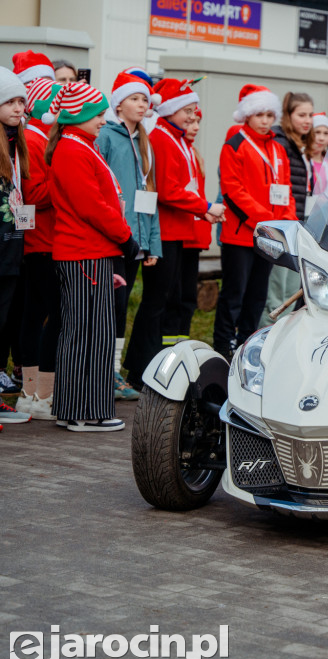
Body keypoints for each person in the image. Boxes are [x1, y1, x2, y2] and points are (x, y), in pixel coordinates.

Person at [43, 81, 140, 431]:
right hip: (85, 253)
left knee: (84, 332)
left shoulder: (81, 146)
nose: (103, 119)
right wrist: (126, 237)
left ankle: (74, 409)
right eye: (98, 114)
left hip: (90, 253)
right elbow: (93, 207)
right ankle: (86, 412)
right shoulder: (74, 150)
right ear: (80, 115)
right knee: (89, 335)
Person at [124, 78, 220, 387]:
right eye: (187, 111)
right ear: (171, 110)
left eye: (194, 111)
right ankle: (141, 369)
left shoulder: (174, 138)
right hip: (164, 231)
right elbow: (168, 190)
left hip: (176, 230)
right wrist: (204, 206)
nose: (193, 117)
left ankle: (150, 364)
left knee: (165, 299)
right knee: (157, 301)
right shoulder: (164, 138)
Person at [215, 84, 296, 358]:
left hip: (269, 235)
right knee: (234, 295)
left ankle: (247, 343)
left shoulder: (278, 149)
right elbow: (232, 191)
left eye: (269, 115)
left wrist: (288, 223)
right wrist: (267, 221)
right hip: (241, 235)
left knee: (257, 295)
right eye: (259, 115)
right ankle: (223, 345)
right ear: (247, 115)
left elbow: (286, 192)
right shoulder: (235, 144)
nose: (265, 121)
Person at [96, 70, 162, 401]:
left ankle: (115, 370)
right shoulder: (106, 137)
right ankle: (103, 371)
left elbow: (150, 196)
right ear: (118, 104)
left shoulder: (144, 142)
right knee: (111, 305)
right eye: (135, 98)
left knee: (122, 309)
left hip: (137, 241)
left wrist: (152, 243)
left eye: (145, 100)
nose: (141, 104)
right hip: (113, 237)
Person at [15, 77, 62, 421]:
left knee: (35, 315)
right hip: (42, 241)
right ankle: (40, 394)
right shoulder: (33, 139)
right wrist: (66, 183)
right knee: (52, 315)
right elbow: (34, 194)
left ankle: (31, 393)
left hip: (43, 239)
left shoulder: (41, 137)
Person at [261, 91, 314, 327]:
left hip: (298, 224)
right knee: (277, 288)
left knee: (291, 287)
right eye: (301, 114)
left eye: (310, 115)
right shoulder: (281, 143)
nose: (307, 120)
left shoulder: (300, 145)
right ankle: (265, 335)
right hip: (284, 225)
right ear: (288, 116)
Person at [0, 67, 31, 424]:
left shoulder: (16, 143)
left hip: (12, 248)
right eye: (9, 100)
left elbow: (19, 197)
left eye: (21, 100)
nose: (17, 107)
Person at [178, 107, 211, 338]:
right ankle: (168, 345)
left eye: (198, 122)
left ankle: (181, 340)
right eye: (191, 122)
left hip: (194, 234)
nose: (196, 128)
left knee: (188, 296)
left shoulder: (194, 153)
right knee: (175, 295)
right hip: (179, 233)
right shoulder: (178, 150)